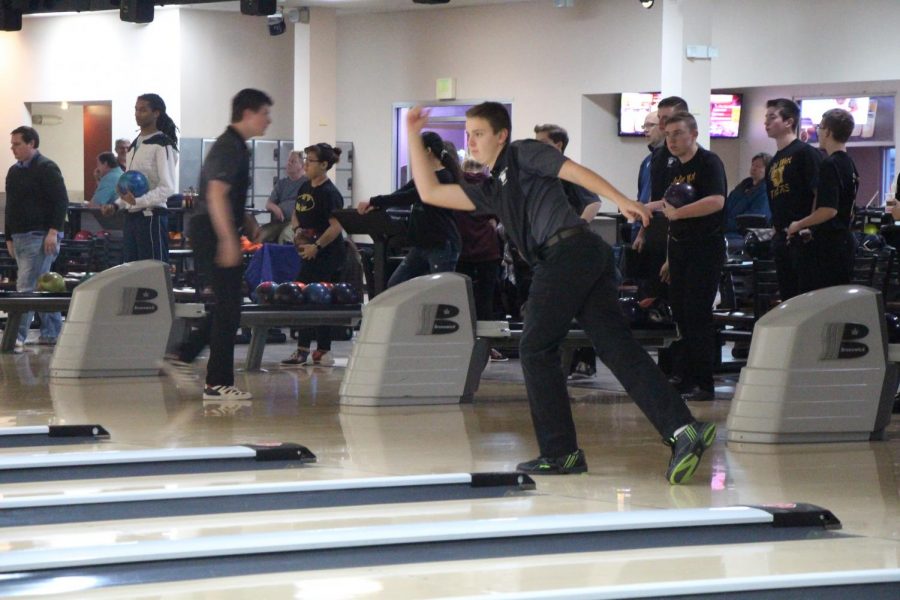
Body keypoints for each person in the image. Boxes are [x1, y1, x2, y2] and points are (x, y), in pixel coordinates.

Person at [405, 101, 715, 485]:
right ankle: (684, 429)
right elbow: (431, 191)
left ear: (501, 135)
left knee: (535, 347)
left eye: (479, 133)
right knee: (615, 346)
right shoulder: (490, 189)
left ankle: (561, 453)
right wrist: (411, 133)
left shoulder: (522, 151)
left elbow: (575, 172)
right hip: (580, 257)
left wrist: (623, 201)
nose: (471, 140)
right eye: (467, 134)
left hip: (568, 252)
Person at [165, 88, 271, 400]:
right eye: (265, 113)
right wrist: (227, 239)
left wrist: (248, 223)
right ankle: (216, 381)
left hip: (212, 228)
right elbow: (215, 193)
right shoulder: (230, 146)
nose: (268, 120)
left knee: (228, 303)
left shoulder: (236, 146)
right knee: (229, 306)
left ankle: (184, 357)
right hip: (212, 230)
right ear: (249, 113)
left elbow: (229, 195)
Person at [651, 111, 727, 402]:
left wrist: (678, 213)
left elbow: (716, 201)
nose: (673, 140)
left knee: (697, 314)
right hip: (680, 250)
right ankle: (683, 377)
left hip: (705, 249)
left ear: (694, 134)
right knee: (680, 314)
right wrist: (646, 207)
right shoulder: (673, 168)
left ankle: (704, 383)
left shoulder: (709, 162)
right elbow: (669, 207)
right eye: (668, 135)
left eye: (679, 133)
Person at [534, 123, 601, 378]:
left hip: (571, 249)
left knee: (578, 306)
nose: (537, 146)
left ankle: (584, 361)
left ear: (558, 145)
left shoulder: (566, 169)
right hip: (551, 249)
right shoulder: (544, 171)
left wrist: (577, 228)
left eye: (543, 142)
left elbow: (593, 201)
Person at [357, 131, 462, 288]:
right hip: (422, 244)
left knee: (440, 292)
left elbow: (410, 196)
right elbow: (401, 193)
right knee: (396, 284)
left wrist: (374, 200)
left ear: (427, 151)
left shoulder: (444, 177)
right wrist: (376, 204)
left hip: (441, 244)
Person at [281, 143, 347, 367]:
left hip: (327, 254)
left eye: (310, 161)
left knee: (318, 299)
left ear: (324, 165)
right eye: (306, 160)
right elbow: (296, 215)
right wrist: (298, 232)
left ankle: (318, 349)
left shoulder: (330, 193)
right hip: (307, 250)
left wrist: (316, 246)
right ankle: (307, 349)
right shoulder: (304, 187)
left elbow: (336, 227)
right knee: (305, 297)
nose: (306, 164)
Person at [4, 126, 67, 349]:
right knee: (42, 287)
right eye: (12, 144)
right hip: (20, 237)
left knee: (26, 286)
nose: (13, 148)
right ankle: (52, 333)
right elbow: (10, 206)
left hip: (39, 236)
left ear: (31, 143)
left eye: (17, 144)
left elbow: (60, 202)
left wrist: (53, 232)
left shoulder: (46, 168)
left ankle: (17, 336)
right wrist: (8, 237)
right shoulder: (14, 171)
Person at [787, 108, 858, 292]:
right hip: (844, 243)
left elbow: (829, 209)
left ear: (828, 131)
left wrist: (799, 224)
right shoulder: (850, 164)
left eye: (820, 126)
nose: (818, 131)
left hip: (829, 248)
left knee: (821, 303)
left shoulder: (829, 164)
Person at [101, 93, 178, 263]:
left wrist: (137, 202)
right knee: (132, 271)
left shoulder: (162, 143)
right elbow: (129, 188)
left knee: (152, 271)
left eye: (143, 110)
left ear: (156, 113)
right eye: (136, 109)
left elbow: (168, 187)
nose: (137, 113)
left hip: (152, 217)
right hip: (131, 218)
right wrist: (116, 205)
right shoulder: (135, 145)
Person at [765, 98, 822, 300]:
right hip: (782, 237)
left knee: (805, 298)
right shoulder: (773, 161)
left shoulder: (805, 153)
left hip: (803, 237)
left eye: (772, 117)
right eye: (766, 118)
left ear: (789, 122)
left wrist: (810, 227)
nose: (766, 122)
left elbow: (819, 192)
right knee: (787, 297)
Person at [453, 155, 505, 361]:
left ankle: (463, 343)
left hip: (462, 250)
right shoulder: (491, 188)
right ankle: (486, 347)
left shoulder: (456, 187)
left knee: (461, 299)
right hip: (488, 250)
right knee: (485, 300)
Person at [723, 153, 772, 251]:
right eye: (753, 165)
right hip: (726, 229)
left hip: (744, 235)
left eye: (758, 166)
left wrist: (726, 225)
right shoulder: (742, 187)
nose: (753, 168)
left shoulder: (766, 191)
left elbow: (755, 218)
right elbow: (726, 206)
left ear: (768, 170)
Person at [257, 150, 307, 244]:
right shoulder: (281, 183)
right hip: (279, 222)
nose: (289, 163)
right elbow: (268, 204)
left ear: (302, 166)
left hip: (297, 223)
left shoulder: (307, 184)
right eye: (288, 160)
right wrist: (275, 208)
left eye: (293, 161)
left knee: (285, 236)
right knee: (259, 236)